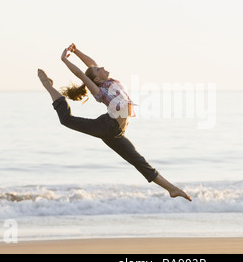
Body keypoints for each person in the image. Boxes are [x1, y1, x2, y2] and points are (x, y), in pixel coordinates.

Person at [37, 44, 192, 201]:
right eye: (99, 70)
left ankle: (172, 189)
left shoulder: (110, 81)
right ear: (97, 78)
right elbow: (80, 73)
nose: (102, 67)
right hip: (107, 126)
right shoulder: (99, 91)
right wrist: (64, 59)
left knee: (139, 162)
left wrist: (76, 51)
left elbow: (90, 65)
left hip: (117, 133)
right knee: (66, 119)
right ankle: (48, 86)